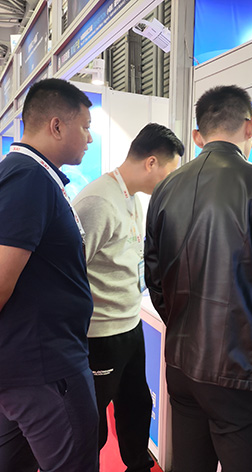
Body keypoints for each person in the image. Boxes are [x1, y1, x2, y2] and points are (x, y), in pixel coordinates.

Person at [144, 85, 252, 472]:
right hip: (241, 375)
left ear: (198, 135)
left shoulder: (166, 188)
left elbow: (154, 279)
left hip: (182, 368)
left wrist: (184, 328)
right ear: (250, 127)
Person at [0, 78, 98, 471]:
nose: (89, 138)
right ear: (57, 126)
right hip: (43, 365)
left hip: (32, 360)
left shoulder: (30, 175)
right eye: (85, 127)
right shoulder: (28, 178)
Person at [73, 123, 183, 471]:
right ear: (151, 163)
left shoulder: (131, 197)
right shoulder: (97, 201)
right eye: (169, 172)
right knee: (91, 423)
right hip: (100, 334)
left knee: (136, 406)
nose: (169, 181)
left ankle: (137, 465)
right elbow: (70, 274)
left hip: (129, 325)